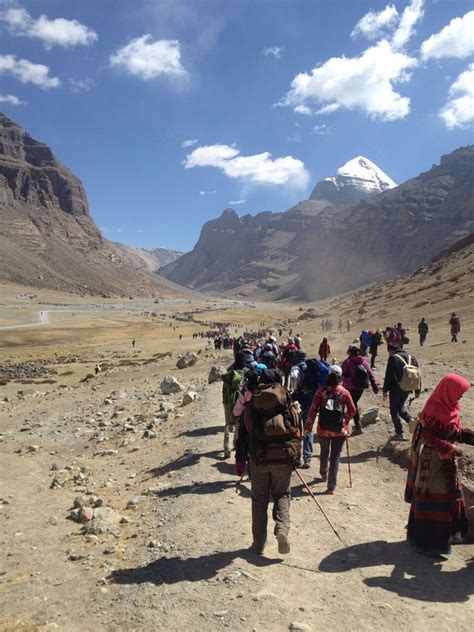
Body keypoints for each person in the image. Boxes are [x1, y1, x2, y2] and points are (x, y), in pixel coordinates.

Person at [405, 374, 474, 556]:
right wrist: (451, 448)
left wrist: (469, 437)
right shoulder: (436, 409)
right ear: (448, 391)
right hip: (433, 464)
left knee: (446, 499)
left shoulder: (446, 407)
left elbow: (451, 431)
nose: (460, 397)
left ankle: (440, 539)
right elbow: (430, 436)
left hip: (444, 461)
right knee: (435, 499)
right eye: (458, 393)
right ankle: (429, 544)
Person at [235, 382, 301, 555]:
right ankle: (281, 528)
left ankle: (258, 545)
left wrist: (240, 460)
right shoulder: (288, 407)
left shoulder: (251, 409)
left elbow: (242, 436)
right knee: (282, 494)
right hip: (283, 460)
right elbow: (297, 433)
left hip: (258, 461)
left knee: (259, 501)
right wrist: (296, 459)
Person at [305, 366, 356, 494]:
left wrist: (308, 427)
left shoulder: (321, 391)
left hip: (323, 429)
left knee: (324, 451)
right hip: (339, 430)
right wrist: (344, 420)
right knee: (335, 457)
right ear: (340, 379)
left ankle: (323, 473)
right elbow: (352, 411)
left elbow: (313, 410)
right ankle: (331, 486)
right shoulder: (344, 392)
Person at [382, 344, 420, 440]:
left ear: (391, 350)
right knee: (401, 406)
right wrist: (417, 390)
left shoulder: (393, 358)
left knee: (394, 411)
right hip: (408, 388)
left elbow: (388, 375)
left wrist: (385, 390)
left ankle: (399, 433)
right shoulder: (412, 358)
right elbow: (417, 375)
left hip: (396, 388)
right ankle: (410, 420)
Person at [341, 345, 379, 435]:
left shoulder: (348, 362)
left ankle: (355, 426)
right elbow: (370, 373)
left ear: (350, 352)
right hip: (360, 388)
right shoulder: (364, 362)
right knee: (353, 404)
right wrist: (374, 387)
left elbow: (342, 373)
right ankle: (352, 425)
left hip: (350, 387)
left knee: (352, 405)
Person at [221, 368, 243, 458]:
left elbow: (223, 393)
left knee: (227, 424)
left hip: (227, 403)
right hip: (237, 403)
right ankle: (236, 444)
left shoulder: (226, 380)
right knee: (237, 423)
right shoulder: (238, 380)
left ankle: (227, 447)